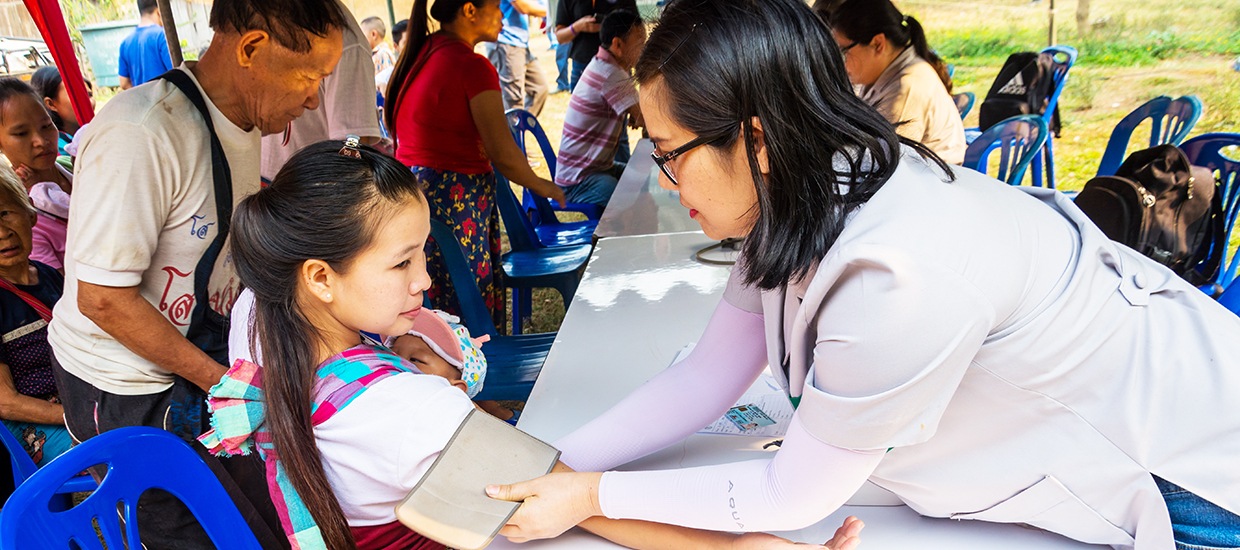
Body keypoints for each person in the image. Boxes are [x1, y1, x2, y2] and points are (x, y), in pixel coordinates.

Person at [483, 1, 1240, 549]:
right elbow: (709, 374)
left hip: (1190, 475)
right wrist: (559, 461)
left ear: (756, 138)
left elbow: (793, 492)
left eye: (671, 152)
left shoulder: (898, 271)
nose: (665, 179)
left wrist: (588, 496)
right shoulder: (796, 192)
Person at [211, 138, 864, 550]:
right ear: (320, 277)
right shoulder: (400, 410)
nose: (424, 280)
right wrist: (739, 547)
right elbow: (554, 495)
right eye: (402, 263)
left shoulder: (262, 311)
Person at [47, 0, 347, 547]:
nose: (312, 99)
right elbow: (101, 298)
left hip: (194, 356)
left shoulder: (240, 117)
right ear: (251, 49)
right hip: (125, 385)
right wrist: (221, 381)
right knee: (196, 531)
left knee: (270, 514)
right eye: (308, 77)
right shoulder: (141, 134)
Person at [385, 0, 565, 332]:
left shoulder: (422, 53)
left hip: (413, 195)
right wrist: (546, 187)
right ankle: (472, 367)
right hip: (455, 198)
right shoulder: (471, 65)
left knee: (433, 294)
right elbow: (503, 152)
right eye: (497, 5)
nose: (503, 14)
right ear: (469, 10)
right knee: (467, 297)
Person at [825, 0, 965, 165]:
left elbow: (889, 166)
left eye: (844, 51)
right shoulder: (880, 74)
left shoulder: (907, 88)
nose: (841, 63)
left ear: (878, 44)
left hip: (928, 184)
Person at [260, 0, 382, 182]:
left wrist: (333, 196)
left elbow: (353, 141)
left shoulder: (345, 42)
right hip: (268, 181)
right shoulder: (268, 16)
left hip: (308, 191)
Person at [0, 170, 71, 468]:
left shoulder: (50, 276)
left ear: (30, 213)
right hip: (35, 423)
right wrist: (74, 416)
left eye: (5, 213)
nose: (3, 233)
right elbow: (6, 402)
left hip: (76, 403)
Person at [554, 9, 644, 209]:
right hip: (578, 181)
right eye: (640, 42)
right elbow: (646, 119)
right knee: (631, 196)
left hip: (596, 169)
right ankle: (619, 235)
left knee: (639, 180)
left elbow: (639, 115)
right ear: (618, 44)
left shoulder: (602, 64)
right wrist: (639, 115)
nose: (644, 48)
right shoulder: (612, 74)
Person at [0, 78, 72, 271]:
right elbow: (59, 283)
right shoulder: (19, 211)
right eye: (22, 133)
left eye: (47, 126)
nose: (41, 141)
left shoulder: (74, 166)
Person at [553, 0, 635, 91]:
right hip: (582, 67)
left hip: (618, 66)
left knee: (625, 103)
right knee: (583, 104)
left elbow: (636, 27)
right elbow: (560, 37)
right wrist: (577, 27)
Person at [488, 0, 550, 116]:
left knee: (539, 88)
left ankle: (520, 129)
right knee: (514, 100)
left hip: (520, 43)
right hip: (507, 43)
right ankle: (512, 132)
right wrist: (555, 12)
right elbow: (524, 7)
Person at [30, 66, 96, 158]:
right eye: (77, 95)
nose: (89, 102)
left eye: (89, 95)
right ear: (51, 104)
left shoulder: (96, 132)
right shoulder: (55, 151)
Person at [117, 0, 174, 90]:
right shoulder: (162, 35)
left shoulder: (125, 43)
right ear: (159, 12)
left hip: (142, 101)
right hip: (165, 101)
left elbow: (124, 83)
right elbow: (177, 72)